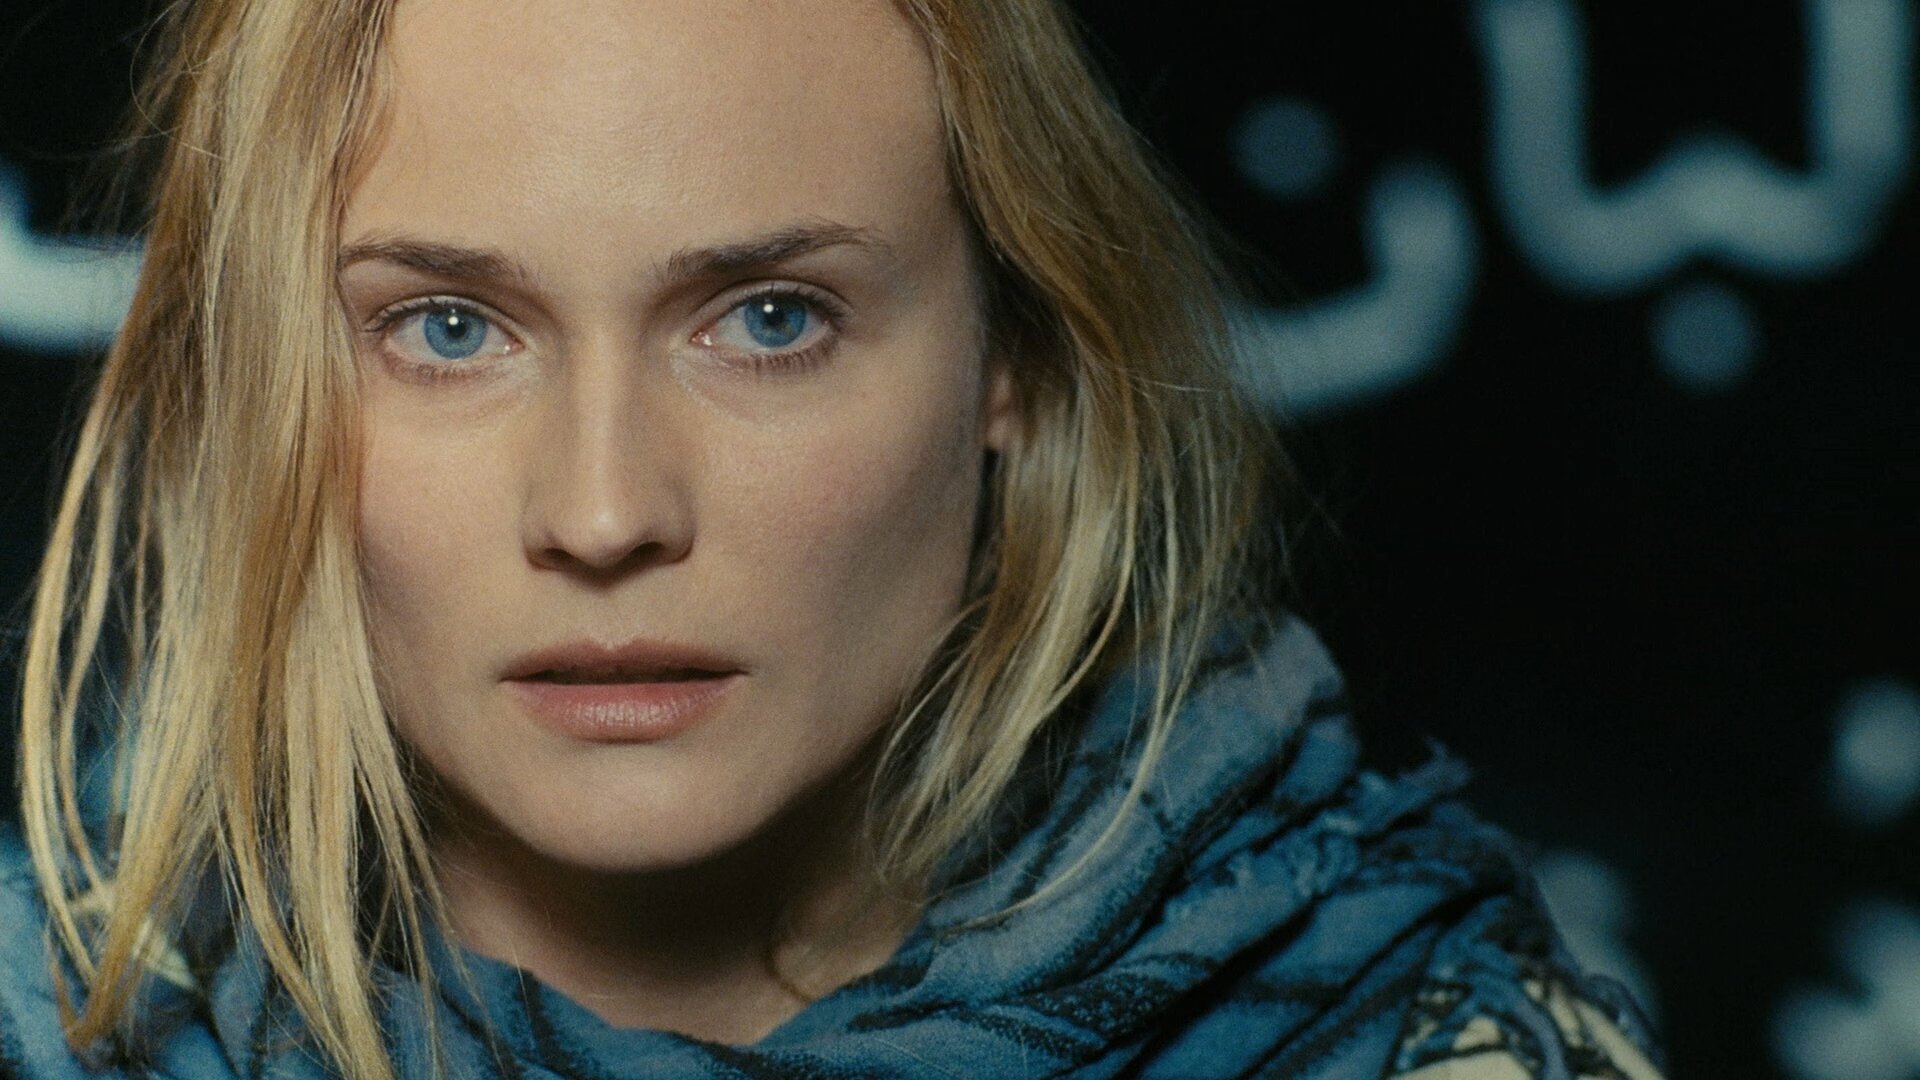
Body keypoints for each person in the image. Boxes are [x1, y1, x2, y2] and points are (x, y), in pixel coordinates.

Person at [0, 0, 1665, 1076]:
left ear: (1014, 361)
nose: (603, 513)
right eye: (446, 330)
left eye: (770, 319)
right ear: (248, 388)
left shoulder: (1423, 1041)